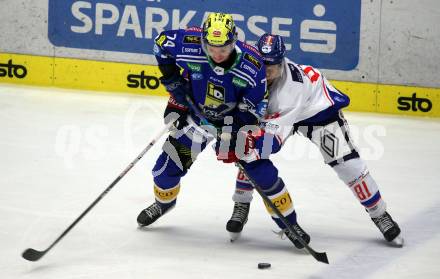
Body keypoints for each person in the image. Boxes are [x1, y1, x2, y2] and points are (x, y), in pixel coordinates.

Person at [136, 14, 311, 248]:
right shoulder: (189, 42)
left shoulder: (252, 64)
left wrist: (232, 132)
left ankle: (289, 223)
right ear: (203, 42)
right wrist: (172, 82)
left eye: (225, 48)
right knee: (165, 169)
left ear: (234, 40)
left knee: (260, 171)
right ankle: (164, 203)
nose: (218, 55)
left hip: (235, 120)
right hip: (199, 119)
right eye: (211, 48)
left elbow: (255, 107)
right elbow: (160, 43)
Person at [223, 33, 404, 247]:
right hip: (280, 114)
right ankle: (241, 204)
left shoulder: (290, 90)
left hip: (317, 112)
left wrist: (245, 144)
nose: (266, 71)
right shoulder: (249, 71)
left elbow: (272, 142)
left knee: (348, 165)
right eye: (262, 64)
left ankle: (379, 214)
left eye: (272, 66)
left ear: (282, 63)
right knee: (248, 151)